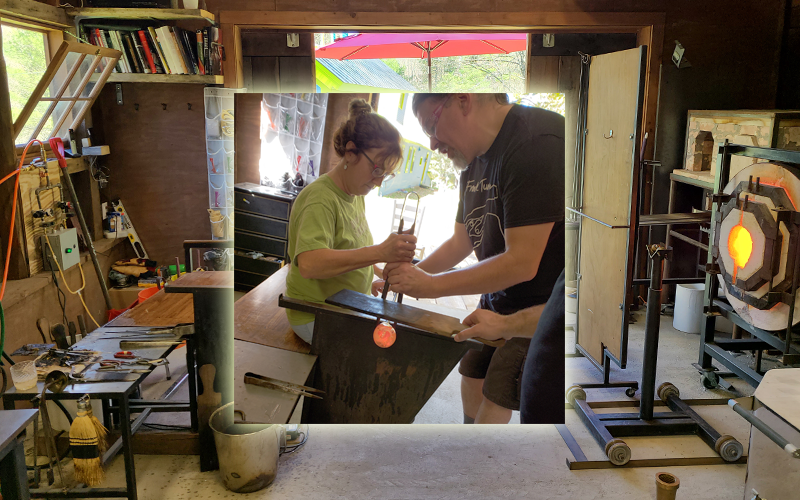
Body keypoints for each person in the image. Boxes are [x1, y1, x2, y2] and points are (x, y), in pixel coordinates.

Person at [383, 93, 564, 424]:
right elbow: (460, 241)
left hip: (542, 306)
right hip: (496, 298)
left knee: (498, 389)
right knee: (471, 373)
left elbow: (522, 262)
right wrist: (411, 275)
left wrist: (430, 286)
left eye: (431, 126)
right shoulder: (472, 159)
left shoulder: (535, 143)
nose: (433, 143)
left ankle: (477, 466)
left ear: (462, 101)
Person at [285, 98, 417, 344]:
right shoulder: (321, 199)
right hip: (315, 312)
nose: (378, 181)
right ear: (350, 151)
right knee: (385, 350)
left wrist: (376, 271)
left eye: (385, 175)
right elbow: (310, 264)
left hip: (343, 305)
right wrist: (379, 252)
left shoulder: (354, 193)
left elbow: (347, 248)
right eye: (377, 169)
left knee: (400, 337)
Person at [454, 269, 566, 424]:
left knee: (498, 393)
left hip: (532, 313)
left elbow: (521, 263)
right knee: (470, 369)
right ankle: (469, 434)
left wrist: (431, 282)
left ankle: (479, 446)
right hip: (496, 298)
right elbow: (459, 245)